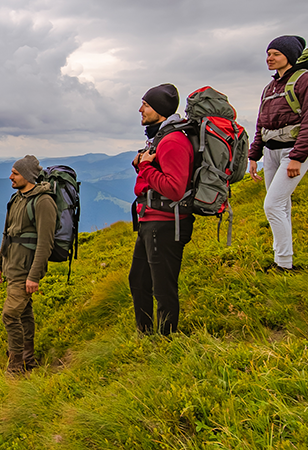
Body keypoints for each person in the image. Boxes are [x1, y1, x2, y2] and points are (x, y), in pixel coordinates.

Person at [248, 35, 308, 272]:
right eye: (268, 54)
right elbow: (262, 123)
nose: (269, 58)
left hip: (292, 150)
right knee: (282, 206)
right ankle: (285, 261)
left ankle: (283, 264)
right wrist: (253, 155)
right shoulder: (270, 87)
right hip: (270, 153)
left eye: (276, 54)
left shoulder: (307, 80)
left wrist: (298, 157)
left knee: (272, 205)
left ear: (289, 56)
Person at [129, 83, 195, 336]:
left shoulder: (173, 141)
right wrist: (142, 164)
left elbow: (175, 189)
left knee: (163, 287)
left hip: (166, 223)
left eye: (145, 105)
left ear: (160, 110)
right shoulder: (159, 139)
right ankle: (145, 334)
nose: (140, 110)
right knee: (138, 281)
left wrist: (146, 168)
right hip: (151, 219)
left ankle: (167, 338)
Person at [0, 155, 56, 373]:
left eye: (15, 173)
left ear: (28, 176)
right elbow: (7, 234)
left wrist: (34, 276)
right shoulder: (17, 198)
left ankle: (16, 365)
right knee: (24, 314)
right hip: (12, 267)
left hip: (25, 270)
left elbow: (45, 243)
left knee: (10, 315)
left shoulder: (43, 201)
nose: (10, 176)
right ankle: (28, 359)